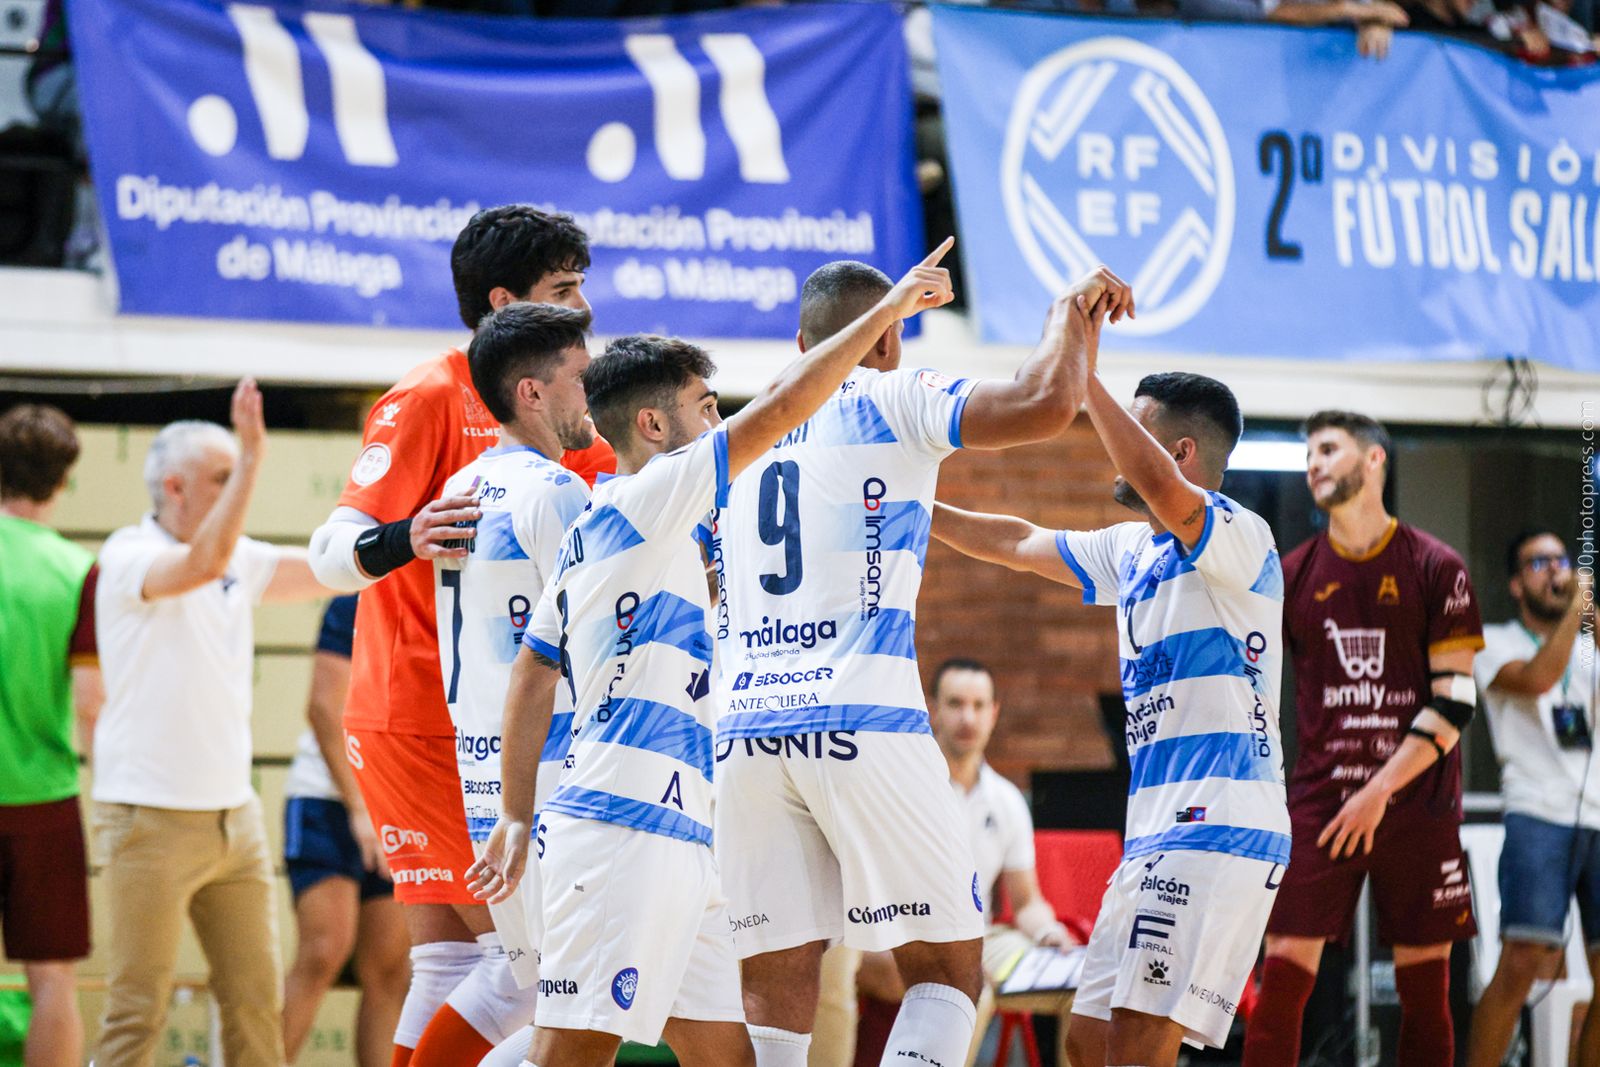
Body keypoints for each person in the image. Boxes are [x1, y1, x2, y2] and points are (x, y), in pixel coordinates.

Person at [469, 241, 962, 1067]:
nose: (718, 422)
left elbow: (531, 668)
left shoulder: (614, 522)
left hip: (681, 836)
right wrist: (886, 315)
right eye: (705, 408)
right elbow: (780, 413)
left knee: (732, 1056)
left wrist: (517, 814)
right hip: (619, 830)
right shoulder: (657, 489)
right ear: (654, 425)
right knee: (567, 1053)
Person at [708, 254, 1131, 1067]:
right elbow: (1048, 401)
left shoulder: (744, 432)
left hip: (745, 728)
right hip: (863, 719)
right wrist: (1066, 316)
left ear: (801, 341)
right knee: (945, 973)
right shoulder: (890, 391)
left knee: (772, 989)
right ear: (888, 343)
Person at [306, 205, 611, 1066]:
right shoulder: (432, 394)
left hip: (482, 715)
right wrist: (408, 534)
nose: (585, 305)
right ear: (504, 300)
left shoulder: (566, 404)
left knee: (457, 957)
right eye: (565, 288)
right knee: (531, 966)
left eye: (584, 284)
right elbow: (330, 552)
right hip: (426, 714)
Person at [933, 367, 1288, 1067]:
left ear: (1178, 452)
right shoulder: (1133, 551)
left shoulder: (1241, 537)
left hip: (1217, 826)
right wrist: (916, 514)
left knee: (1135, 1044)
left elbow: (1163, 491)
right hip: (1154, 837)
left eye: (1134, 427)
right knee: (1088, 1039)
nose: (1111, 443)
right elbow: (1019, 542)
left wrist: (1081, 378)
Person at [91, 381, 329, 1067]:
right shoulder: (127, 555)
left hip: (235, 819)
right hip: (148, 820)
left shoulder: (237, 556)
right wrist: (254, 458)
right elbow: (201, 563)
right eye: (222, 478)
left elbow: (322, 570)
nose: (239, 489)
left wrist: (408, 538)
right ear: (174, 487)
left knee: (257, 1005)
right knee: (137, 1011)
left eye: (238, 474)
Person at [1243, 410, 1484, 1067]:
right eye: (1309, 454)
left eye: (1328, 448)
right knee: (1282, 980)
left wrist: (1378, 790)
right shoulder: (1291, 572)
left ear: (1374, 459)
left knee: (1425, 991)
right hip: (1322, 801)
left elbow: (1457, 700)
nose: (1313, 463)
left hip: (1418, 800)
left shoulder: (1437, 565)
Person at [422, 302, 597, 1065]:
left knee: (543, 993)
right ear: (532, 392)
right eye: (580, 379)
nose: (590, 396)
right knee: (576, 1003)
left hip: (482, 770)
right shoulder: (556, 493)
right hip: (549, 769)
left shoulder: (462, 486)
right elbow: (594, 643)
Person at [838, 659, 1074, 1067]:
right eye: (956, 703)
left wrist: (1050, 933)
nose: (968, 717)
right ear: (933, 708)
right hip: (901, 933)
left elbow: (1026, 903)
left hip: (984, 939)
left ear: (994, 712)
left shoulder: (1007, 800)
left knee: (1083, 987)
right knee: (964, 985)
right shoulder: (899, 788)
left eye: (979, 705)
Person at [1466, 530, 1599, 1067]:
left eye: (1561, 560)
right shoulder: (1494, 640)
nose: (1555, 571)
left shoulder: (1587, 649)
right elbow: (1540, 679)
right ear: (1517, 584)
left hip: (1598, 818)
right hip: (1536, 815)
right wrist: (1576, 613)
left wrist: (1589, 612)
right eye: (1539, 562)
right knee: (1522, 960)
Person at [0, 404, 102, 1067]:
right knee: (52, 978)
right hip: (44, 797)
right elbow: (91, 704)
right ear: (63, 481)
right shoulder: (77, 570)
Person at [282, 593, 410, 1067]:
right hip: (327, 799)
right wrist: (360, 807)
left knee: (390, 968)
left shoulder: (450, 603)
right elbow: (322, 707)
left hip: (397, 805)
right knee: (323, 949)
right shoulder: (353, 604)